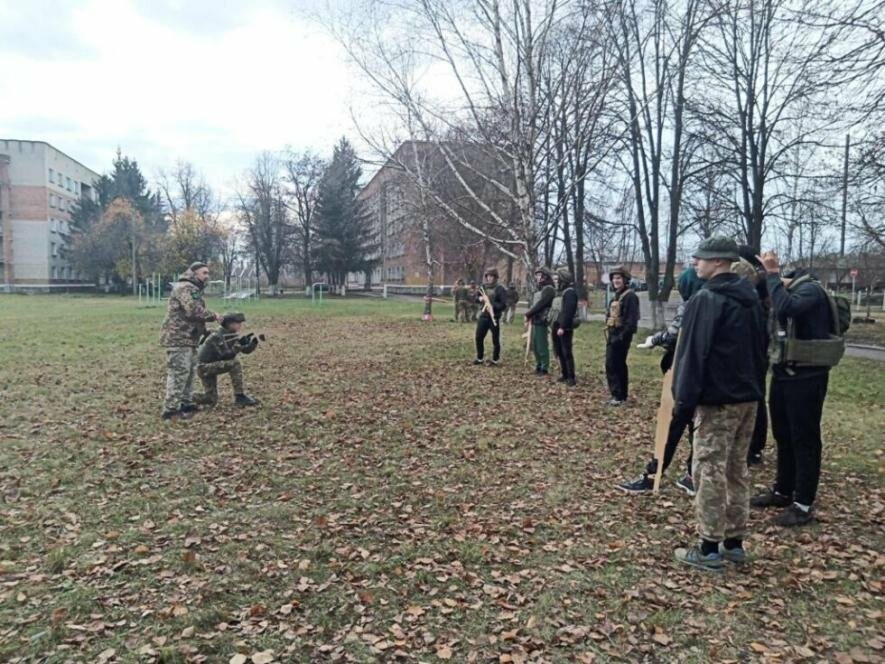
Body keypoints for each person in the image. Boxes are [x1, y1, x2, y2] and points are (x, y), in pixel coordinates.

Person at [672, 237, 766, 571]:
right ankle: (735, 541)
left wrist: (684, 400)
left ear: (719, 262)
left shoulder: (707, 299)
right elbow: (761, 350)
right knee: (736, 468)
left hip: (717, 401)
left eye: (702, 259)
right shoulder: (751, 299)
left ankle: (709, 547)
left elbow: (694, 354)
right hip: (748, 398)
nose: (696, 263)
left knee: (709, 468)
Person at [751, 251, 836, 527]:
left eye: (773, 287)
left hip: (807, 377)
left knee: (805, 438)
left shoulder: (810, 290)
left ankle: (803, 503)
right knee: (784, 435)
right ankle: (783, 491)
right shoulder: (787, 290)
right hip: (784, 374)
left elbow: (787, 308)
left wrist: (772, 274)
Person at [616, 265, 706, 495]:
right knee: (696, 425)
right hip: (707, 374)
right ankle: (691, 473)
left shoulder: (696, 304)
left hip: (688, 372)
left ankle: (654, 474)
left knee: (676, 423)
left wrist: (656, 339)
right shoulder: (714, 300)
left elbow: (677, 334)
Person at [160, 261, 219, 420]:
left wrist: (204, 331)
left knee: (189, 372)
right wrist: (214, 316)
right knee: (179, 373)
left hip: (189, 338)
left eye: (208, 273)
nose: (207, 276)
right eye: (203, 273)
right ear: (194, 274)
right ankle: (171, 410)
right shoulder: (185, 287)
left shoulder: (193, 288)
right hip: (178, 337)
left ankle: (185, 403)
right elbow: (192, 310)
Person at [194, 312, 260, 407]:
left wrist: (252, 343)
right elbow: (225, 356)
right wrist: (238, 346)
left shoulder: (231, 334)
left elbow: (245, 351)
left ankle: (186, 398)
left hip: (210, 365)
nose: (240, 326)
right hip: (204, 367)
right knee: (234, 363)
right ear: (230, 324)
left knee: (211, 399)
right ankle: (239, 396)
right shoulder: (216, 336)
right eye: (238, 323)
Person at [604, 266, 639, 405]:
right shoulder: (617, 295)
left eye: (618, 278)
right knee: (615, 364)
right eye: (613, 278)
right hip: (613, 334)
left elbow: (631, 320)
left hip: (621, 336)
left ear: (625, 279)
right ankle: (620, 395)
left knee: (613, 364)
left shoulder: (630, 296)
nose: (615, 281)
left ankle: (618, 396)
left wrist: (621, 337)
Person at [523, 267, 556, 375]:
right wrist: (531, 314)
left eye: (539, 275)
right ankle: (538, 364)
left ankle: (544, 367)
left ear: (545, 276)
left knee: (541, 344)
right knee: (535, 344)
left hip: (542, 319)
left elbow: (541, 304)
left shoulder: (549, 289)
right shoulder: (540, 289)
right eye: (536, 275)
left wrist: (528, 314)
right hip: (535, 319)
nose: (537, 277)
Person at [550, 269, 579, 386]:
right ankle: (564, 374)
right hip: (557, 324)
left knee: (566, 352)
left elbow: (568, 311)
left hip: (564, 327)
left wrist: (563, 327)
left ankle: (571, 376)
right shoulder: (561, 292)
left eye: (558, 279)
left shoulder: (570, 293)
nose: (556, 281)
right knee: (559, 351)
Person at [473, 268, 507, 365]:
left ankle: (495, 359)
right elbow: (476, 298)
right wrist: (480, 298)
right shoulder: (483, 287)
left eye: (491, 276)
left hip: (494, 317)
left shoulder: (500, 289)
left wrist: (491, 304)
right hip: (483, 316)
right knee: (478, 337)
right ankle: (480, 358)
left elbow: (503, 305)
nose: (489, 278)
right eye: (488, 276)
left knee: (495, 339)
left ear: (495, 277)